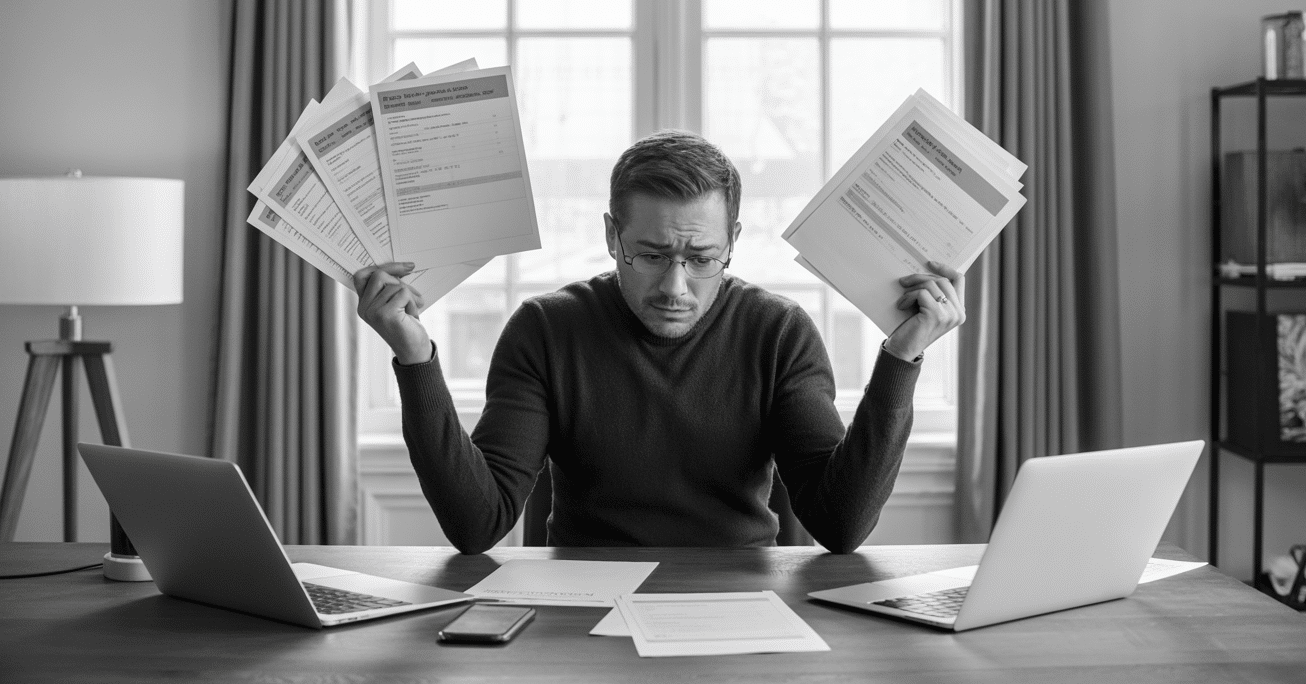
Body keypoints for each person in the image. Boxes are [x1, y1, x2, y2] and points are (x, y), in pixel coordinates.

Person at [353, 130, 965, 554]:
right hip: (582, 603)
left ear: (733, 242)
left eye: (702, 258)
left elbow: (841, 524)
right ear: (611, 236)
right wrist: (414, 357)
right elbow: (476, 523)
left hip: (741, 598)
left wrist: (901, 357)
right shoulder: (546, 329)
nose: (676, 286)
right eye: (649, 254)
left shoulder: (778, 333)